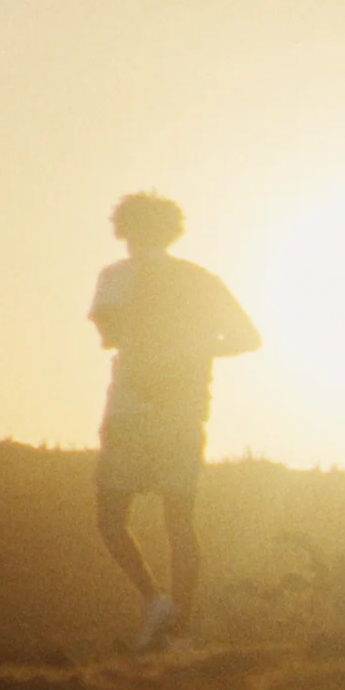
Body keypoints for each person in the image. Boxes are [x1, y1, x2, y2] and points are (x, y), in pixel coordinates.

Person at [88, 191, 259, 650]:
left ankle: (158, 602)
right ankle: (175, 619)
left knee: (112, 516)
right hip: (180, 407)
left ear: (124, 229)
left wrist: (155, 340)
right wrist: (195, 348)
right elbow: (248, 337)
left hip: (133, 405)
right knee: (177, 517)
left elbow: (107, 333)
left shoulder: (115, 277)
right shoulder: (200, 280)